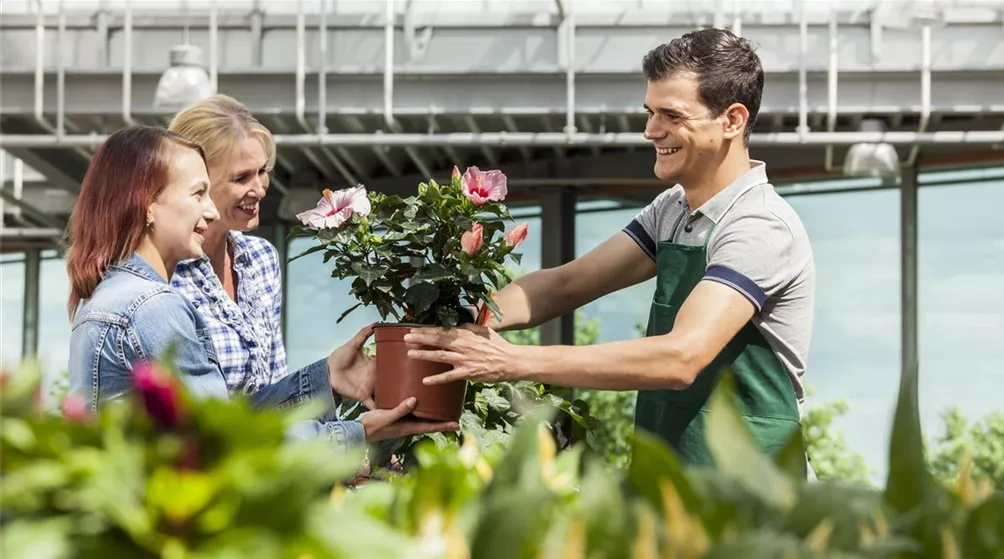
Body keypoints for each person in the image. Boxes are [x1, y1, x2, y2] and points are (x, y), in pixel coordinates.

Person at [404, 29, 816, 475]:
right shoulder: (673, 208)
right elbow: (566, 284)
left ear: (732, 120)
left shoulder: (758, 225)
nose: (651, 131)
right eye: (650, 112)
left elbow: (681, 357)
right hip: (673, 487)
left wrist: (513, 361)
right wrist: (465, 319)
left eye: (671, 115)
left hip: (756, 498)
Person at [65, 125, 457, 451]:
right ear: (148, 204)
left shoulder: (110, 294)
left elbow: (219, 415)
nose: (212, 211)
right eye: (198, 193)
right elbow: (230, 440)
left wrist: (324, 378)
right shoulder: (153, 307)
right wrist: (359, 434)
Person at [165, 95, 454, 448]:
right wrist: (349, 440)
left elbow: (266, 399)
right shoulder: (163, 276)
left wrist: (327, 375)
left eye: (262, 171)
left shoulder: (259, 259)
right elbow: (196, 428)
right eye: (241, 177)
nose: (259, 188)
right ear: (198, 182)